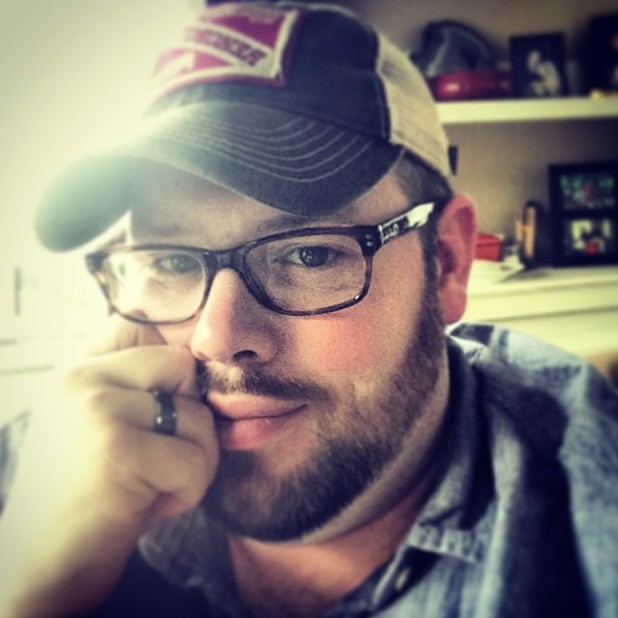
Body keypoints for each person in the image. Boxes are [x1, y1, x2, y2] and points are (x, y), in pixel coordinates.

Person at [1, 2, 617, 617]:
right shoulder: (43, 474)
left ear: (447, 263)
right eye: (171, 262)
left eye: (309, 255)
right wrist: (31, 584)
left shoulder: (587, 498)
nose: (217, 337)